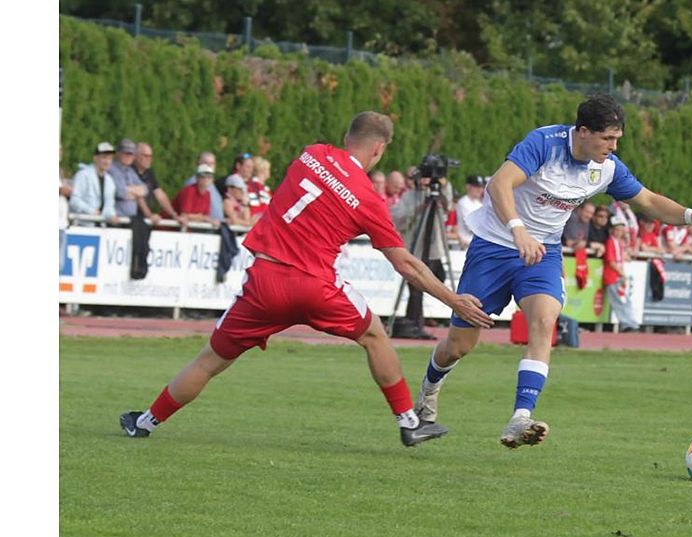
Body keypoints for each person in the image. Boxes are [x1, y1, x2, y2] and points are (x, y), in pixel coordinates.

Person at [119, 111, 493, 447]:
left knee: (208, 361)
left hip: (264, 282)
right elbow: (407, 265)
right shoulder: (369, 199)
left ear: (347, 138)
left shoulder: (312, 154)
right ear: (379, 149)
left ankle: (146, 422)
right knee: (374, 335)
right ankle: (409, 422)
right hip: (316, 286)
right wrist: (453, 300)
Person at [411, 93, 692, 448]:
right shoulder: (544, 143)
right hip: (495, 246)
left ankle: (520, 418)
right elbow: (498, 184)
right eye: (607, 138)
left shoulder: (605, 168)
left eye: (617, 139)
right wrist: (518, 230)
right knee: (458, 346)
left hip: (542, 252)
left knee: (545, 321)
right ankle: (429, 390)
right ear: (583, 131)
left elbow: (648, 201)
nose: (613, 146)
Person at [389, 172, 455, 340]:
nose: (426, 181)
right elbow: (396, 217)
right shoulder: (410, 197)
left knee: (439, 277)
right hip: (416, 247)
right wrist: (418, 209)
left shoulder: (438, 194)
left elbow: (448, 205)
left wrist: (443, 183)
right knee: (416, 287)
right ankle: (414, 324)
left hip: (435, 249)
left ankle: (414, 322)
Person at [603, 215, 640, 332]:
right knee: (619, 300)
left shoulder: (618, 243)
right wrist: (621, 273)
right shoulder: (610, 242)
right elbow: (611, 261)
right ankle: (626, 323)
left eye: (621, 230)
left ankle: (631, 322)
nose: (619, 232)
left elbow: (619, 257)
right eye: (617, 229)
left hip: (618, 276)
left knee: (624, 299)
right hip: (613, 276)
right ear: (612, 230)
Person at [69, 142, 120, 225]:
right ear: (95, 158)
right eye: (104, 157)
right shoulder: (83, 175)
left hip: (101, 228)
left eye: (110, 158)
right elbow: (74, 201)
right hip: (82, 226)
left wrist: (112, 216)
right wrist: (91, 211)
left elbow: (109, 205)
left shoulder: (110, 181)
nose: (107, 161)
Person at [132, 142, 183, 225]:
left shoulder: (149, 173)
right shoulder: (130, 171)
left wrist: (174, 214)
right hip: (132, 216)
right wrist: (149, 215)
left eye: (150, 156)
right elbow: (138, 197)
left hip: (145, 219)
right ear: (136, 156)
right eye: (146, 156)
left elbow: (160, 195)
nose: (149, 159)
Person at [108, 138, 149, 219]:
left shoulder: (130, 171)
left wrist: (129, 190)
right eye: (126, 153)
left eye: (131, 154)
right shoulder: (111, 169)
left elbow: (145, 190)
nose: (129, 156)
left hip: (131, 219)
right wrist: (136, 193)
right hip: (116, 219)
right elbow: (120, 192)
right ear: (118, 153)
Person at [183, 151, 224, 223]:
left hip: (212, 226)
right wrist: (205, 219)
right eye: (206, 163)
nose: (209, 166)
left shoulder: (210, 184)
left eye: (212, 163)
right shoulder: (195, 183)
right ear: (198, 164)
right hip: (199, 228)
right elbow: (186, 213)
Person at [455, 175, 487, 248]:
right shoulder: (463, 202)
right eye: (476, 187)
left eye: (481, 187)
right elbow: (471, 226)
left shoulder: (479, 204)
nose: (480, 190)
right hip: (464, 244)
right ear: (468, 187)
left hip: (476, 244)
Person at [248, 156, 273, 222]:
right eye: (268, 169)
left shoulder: (264, 188)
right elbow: (255, 208)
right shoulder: (254, 187)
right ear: (263, 170)